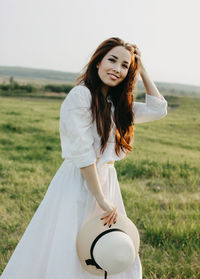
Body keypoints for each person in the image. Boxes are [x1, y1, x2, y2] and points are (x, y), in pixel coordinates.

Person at [0, 37, 168, 279]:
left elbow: (158, 109)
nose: (117, 69)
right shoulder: (80, 96)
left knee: (106, 246)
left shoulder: (117, 105)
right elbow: (82, 152)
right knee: (69, 243)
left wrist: (140, 67)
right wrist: (100, 197)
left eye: (124, 66)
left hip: (107, 181)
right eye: (112, 60)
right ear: (98, 61)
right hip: (79, 181)